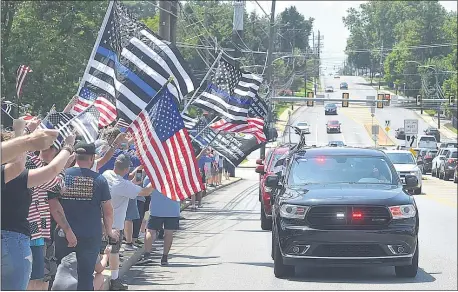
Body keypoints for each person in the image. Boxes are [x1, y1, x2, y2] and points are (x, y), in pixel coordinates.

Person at [1, 122, 74, 291]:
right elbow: (54, 173)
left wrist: (24, 134)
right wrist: (68, 147)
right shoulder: (22, 175)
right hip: (16, 238)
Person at [55, 142, 118, 291]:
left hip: (64, 233)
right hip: (89, 236)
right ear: (91, 158)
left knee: (61, 274)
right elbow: (108, 210)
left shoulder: (62, 177)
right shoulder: (99, 180)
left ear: (75, 156)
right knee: (85, 277)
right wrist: (109, 232)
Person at [102, 155, 154, 290]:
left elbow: (126, 184)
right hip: (115, 224)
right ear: (126, 169)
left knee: (101, 252)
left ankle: (102, 277)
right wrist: (156, 179)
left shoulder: (106, 174)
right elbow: (146, 191)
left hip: (100, 221)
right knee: (113, 252)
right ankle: (114, 280)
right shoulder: (122, 185)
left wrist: (133, 180)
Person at [137, 176, 181, 266]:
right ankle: (164, 258)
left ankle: (147, 255)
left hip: (156, 209)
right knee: (169, 233)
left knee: (150, 231)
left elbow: (146, 191)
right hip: (173, 208)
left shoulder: (154, 174)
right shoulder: (177, 174)